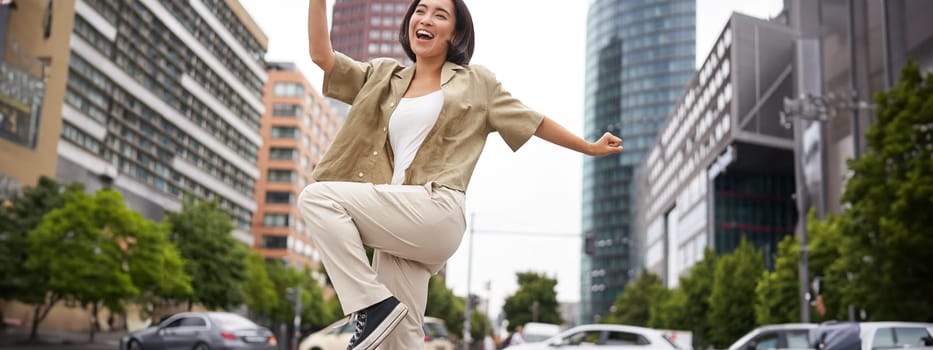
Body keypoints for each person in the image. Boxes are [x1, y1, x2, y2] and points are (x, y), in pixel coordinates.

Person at [300, 0, 623, 349]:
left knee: (317, 198)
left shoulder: (475, 83)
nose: (426, 19)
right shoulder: (383, 77)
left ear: (455, 33)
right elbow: (323, 56)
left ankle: (370, 303)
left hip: (436, 208)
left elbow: (533, 120)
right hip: (397, 220)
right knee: (399, 337)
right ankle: (380, 308)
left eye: (440, 15)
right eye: (420, 11)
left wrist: (588, 147)